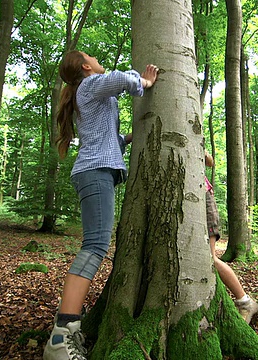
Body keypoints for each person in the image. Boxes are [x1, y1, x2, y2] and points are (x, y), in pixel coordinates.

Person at [44, 50, 159, 360]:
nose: (97, 58)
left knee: (95, 245)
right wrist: (144, 82)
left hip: (96, 170)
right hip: (94, 173)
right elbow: (121, 79)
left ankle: (66, 331)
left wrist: (133, 136)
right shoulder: (91, 84)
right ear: (85, 66)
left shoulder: (86, 92)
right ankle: (61, 335)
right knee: (94, 246)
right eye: (91, 56)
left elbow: (107, 139)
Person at [204, 151, 258, 324]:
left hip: (203, 202)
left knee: (210, 258)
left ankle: (245, 301)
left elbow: (210, 161)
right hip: (190, 205)